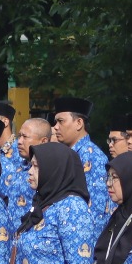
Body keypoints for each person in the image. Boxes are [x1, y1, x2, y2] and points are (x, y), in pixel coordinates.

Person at [52, 96, 110, 235]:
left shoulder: (92, 157)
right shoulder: (66, 155)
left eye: (61, 121)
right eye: (55, 122)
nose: (55, 127)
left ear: (79, 123)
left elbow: (98, 209)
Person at [3, 117, 51, 222]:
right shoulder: (19, 167)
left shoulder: (49, 173)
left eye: (25, 137)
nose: (19, 141)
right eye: (19, 136)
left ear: (43, 141)